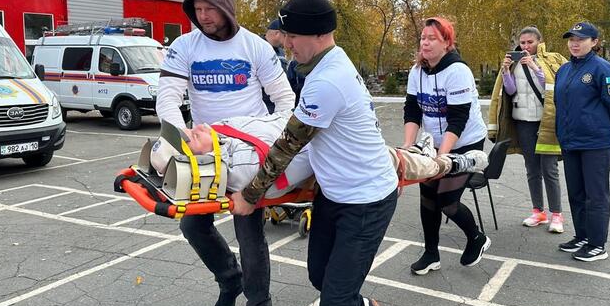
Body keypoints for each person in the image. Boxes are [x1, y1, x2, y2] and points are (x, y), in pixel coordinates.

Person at [231, 0, 398, 306]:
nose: (285, 43)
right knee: (320, 276)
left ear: (317, 34)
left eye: (291, 35)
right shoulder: (321, 68)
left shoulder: (328, 80)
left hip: (367, 200)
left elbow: (287, 147)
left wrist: (250, 196)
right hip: (335, 196)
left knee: (333, 304)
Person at [155, 0, 295, 306]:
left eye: (209, 9)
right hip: (203, 152)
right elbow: (167, 96)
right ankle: (229, 279)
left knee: (250, 235)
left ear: (226, 9)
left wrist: (267, 136)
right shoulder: (184, 46)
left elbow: (285, 101)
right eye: (197, 10)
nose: (203, 16)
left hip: (245, 155)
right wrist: (178, 132)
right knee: (193, 227)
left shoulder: (255, 47)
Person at [149, 111, 488, 194]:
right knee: (403, 164)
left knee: (404, 157)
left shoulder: (220, 133)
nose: (194, 128)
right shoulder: (243, 167)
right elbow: (300, 157)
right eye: (189, 139)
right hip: (333, 151)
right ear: (198, 162)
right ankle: (455, 161)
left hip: (324, 134)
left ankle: (428, 153)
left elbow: (274, 120)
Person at [403, 17, 490, 275]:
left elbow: (458, 119)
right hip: (435, 141)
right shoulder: (417, 72)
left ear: (447, 43)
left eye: (433, 38)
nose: (425, 43)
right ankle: (431, 254)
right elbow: (412, 112)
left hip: (464, 141)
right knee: (427, 198)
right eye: (423, 38)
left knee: (446, 201)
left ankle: (476, 237)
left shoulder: (457, 71)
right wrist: (408, 146)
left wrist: (443, 159)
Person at [554, 22, 610, 262]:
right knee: (576, 192)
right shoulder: (564, 70)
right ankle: (583, 236)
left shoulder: (603, 69)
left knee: (595, 195)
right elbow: (559, 103)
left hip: (596, 143)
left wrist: (604, 127)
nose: (575, 43)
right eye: (571, 39)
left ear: (594, 42)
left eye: (581, 39)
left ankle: (597, 244)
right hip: (570, 142)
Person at [488, 26, 568, 232]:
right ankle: (538, 212)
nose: (525, 46)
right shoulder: (513, 63)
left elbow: (551, 88)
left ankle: (557, 215)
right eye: (522, 43)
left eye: (529, 42)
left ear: (539, 42)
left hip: (546, 122)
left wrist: (534, 67)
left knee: (549, 169)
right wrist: (506, 71)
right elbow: (510, 91)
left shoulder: (550, 60)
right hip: (523, 121)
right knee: (532, 169)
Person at [262, 18, 288, 113]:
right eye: (285, 36)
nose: (288, 40)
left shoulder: (280, 51)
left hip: (279, 102)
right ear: (277, 34)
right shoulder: (258, 48)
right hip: (263, 106)